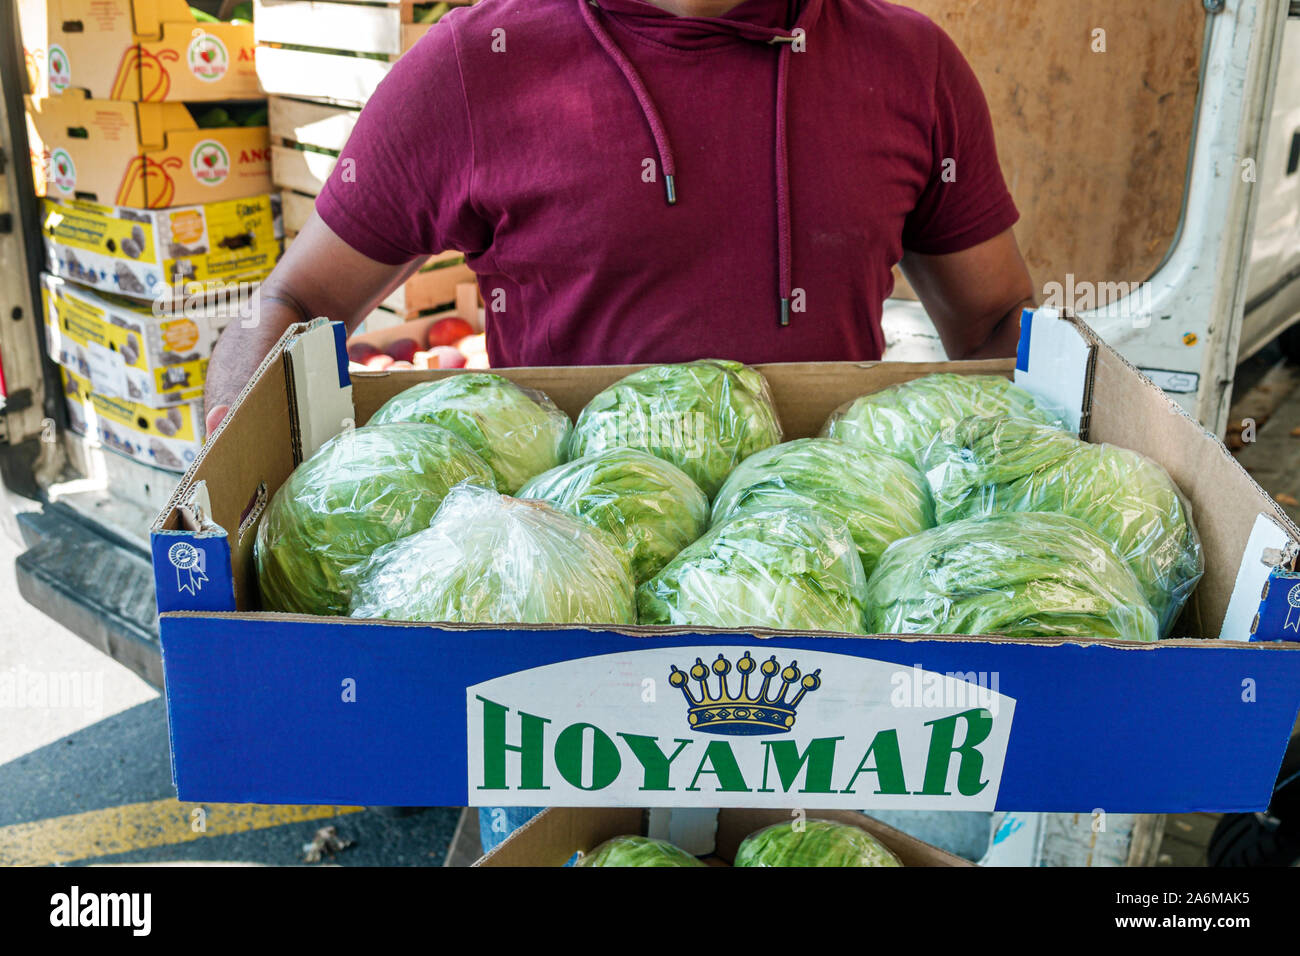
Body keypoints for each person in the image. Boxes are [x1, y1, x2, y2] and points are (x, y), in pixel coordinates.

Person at [201, 0, 1033, 852]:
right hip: (552, 645)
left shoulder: (909, 63)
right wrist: (230, 459)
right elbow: (296, 301)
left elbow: (998, 317)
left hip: (824, 636)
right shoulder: (476, 61)